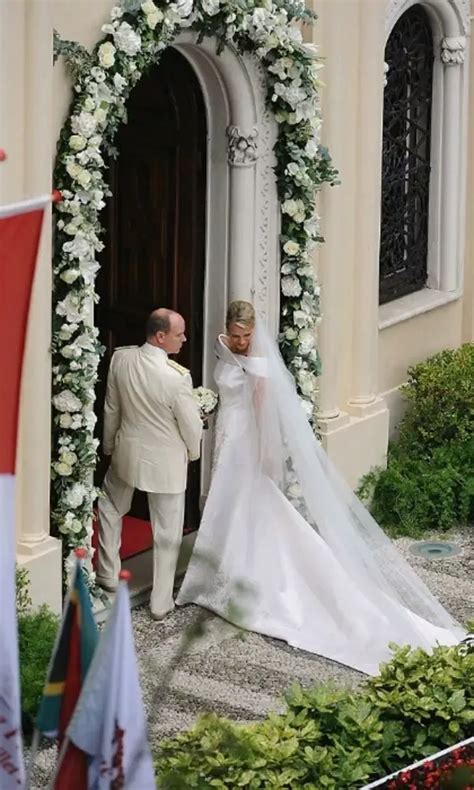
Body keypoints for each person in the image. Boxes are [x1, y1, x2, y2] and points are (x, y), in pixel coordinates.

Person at [177, 301, 465, 675]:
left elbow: (264, 409)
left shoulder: (260, 361)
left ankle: (245, 575)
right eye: (236, 336)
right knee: (229, 502)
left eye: (247, 336)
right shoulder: (222, 345)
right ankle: (227, 567)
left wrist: (267, 455)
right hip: (227, 434)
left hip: (245, 441)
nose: (242, 342)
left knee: (246, 501)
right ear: (226, 330)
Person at [97, 308, 203, 620]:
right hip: (166, 463)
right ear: (160, 337)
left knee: (109, 508)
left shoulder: (121, 358)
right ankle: (160, 602)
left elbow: (111, 408)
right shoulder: (178, 379)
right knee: (168, 531)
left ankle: (107, 573)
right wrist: (195, 453)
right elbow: (191, 428)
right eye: (178, 334)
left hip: (126, 453)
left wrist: (108, 445)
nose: (184, 339)